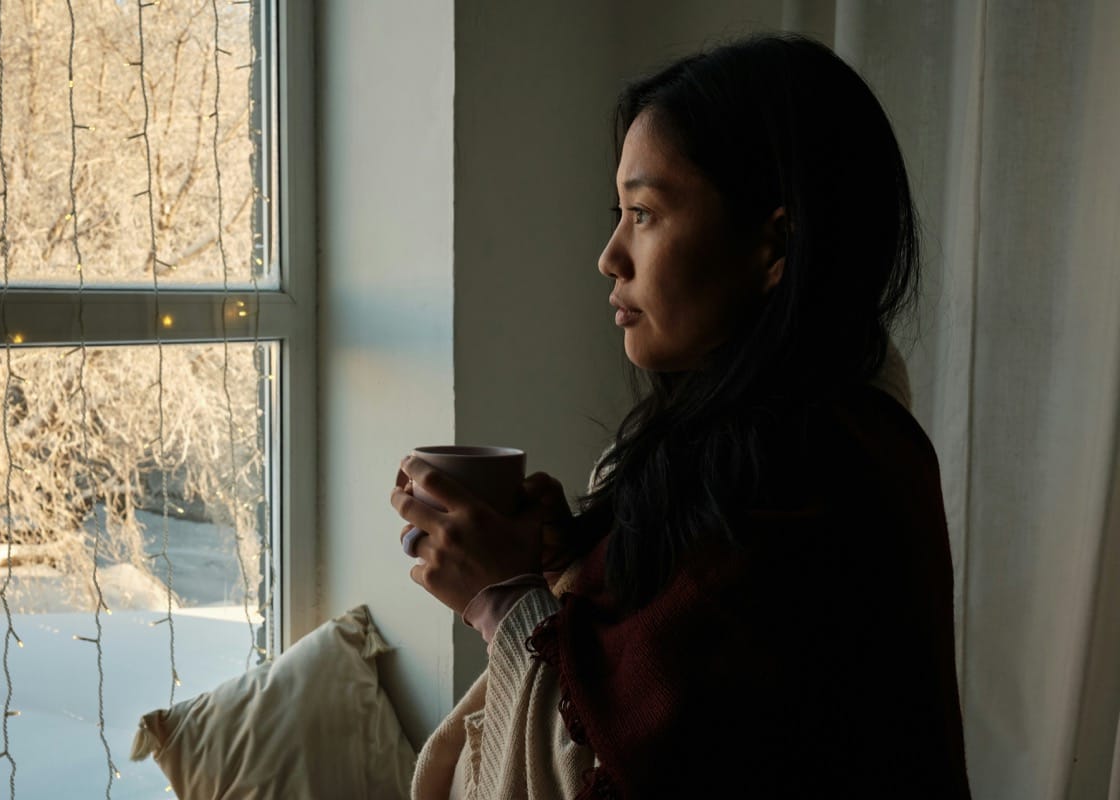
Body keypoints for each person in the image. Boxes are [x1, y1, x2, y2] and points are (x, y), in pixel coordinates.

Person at [390, 32, 972, 799]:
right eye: (618, 212)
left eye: (645, 213)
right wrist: (574, 555)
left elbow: (636, 760)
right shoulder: (782, 438)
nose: (610, 255)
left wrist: (502, 597)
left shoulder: (802, 476)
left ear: (774, 243)